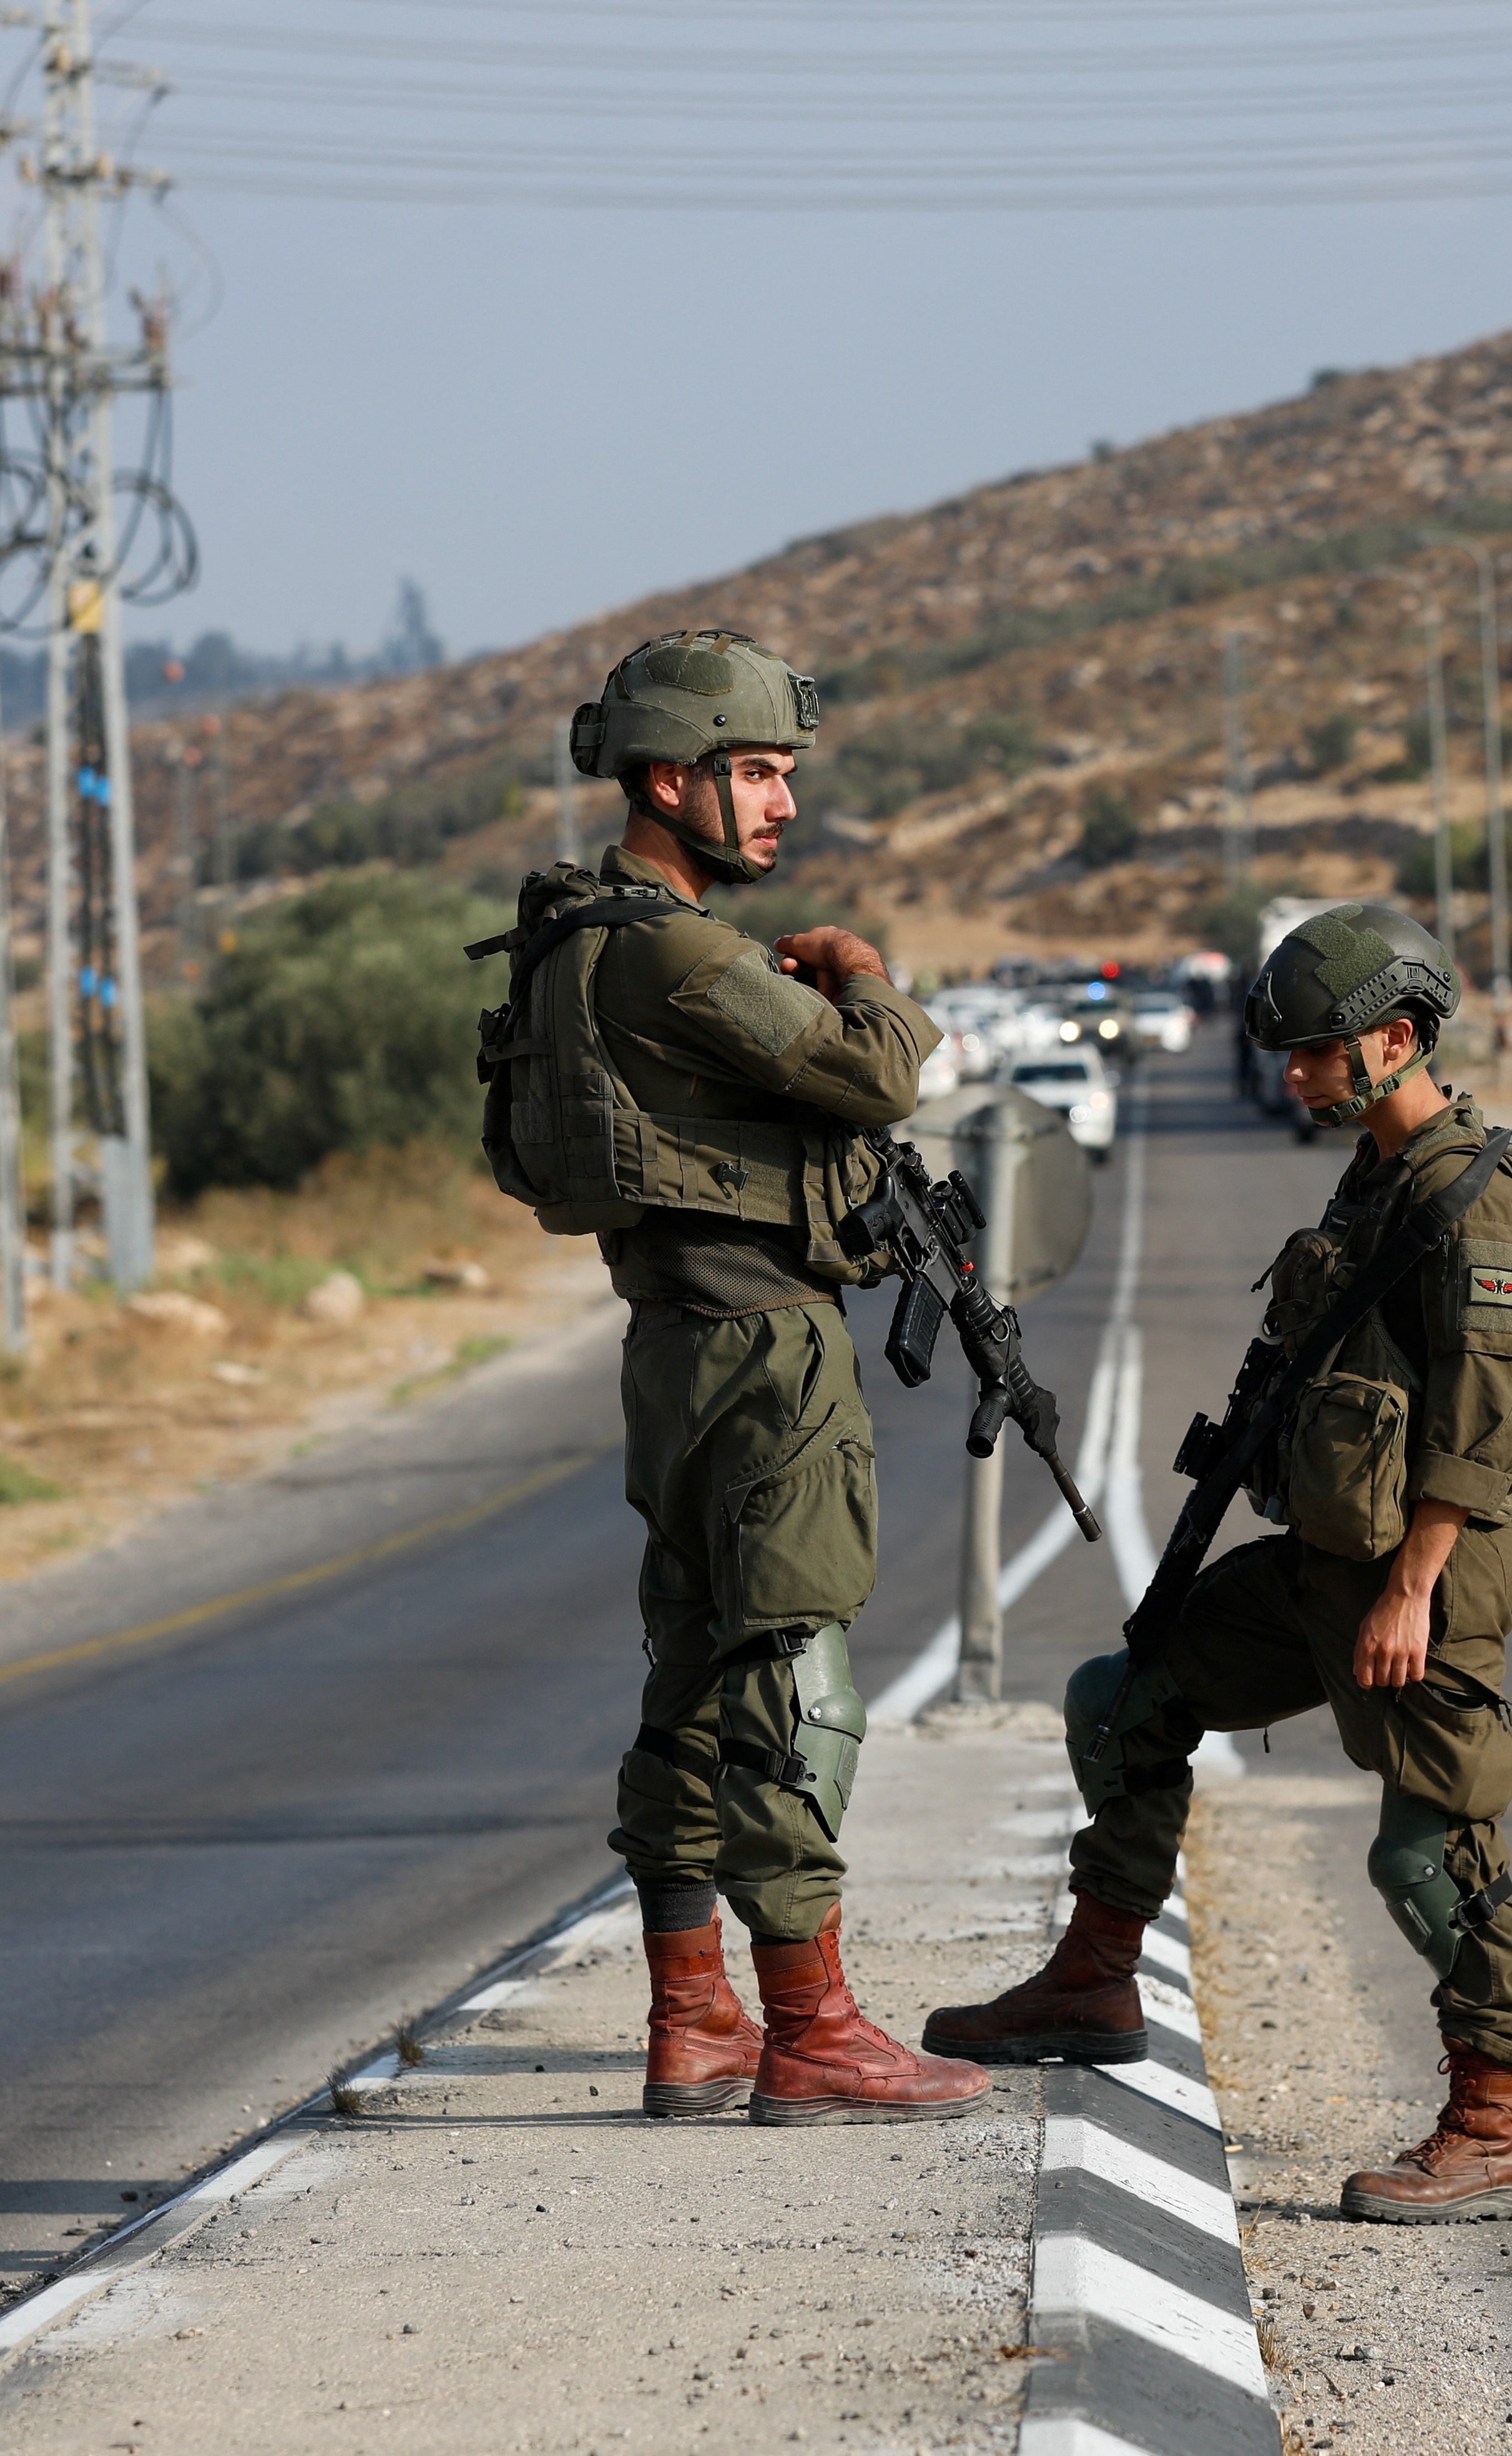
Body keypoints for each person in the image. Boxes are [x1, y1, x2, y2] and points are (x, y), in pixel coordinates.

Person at [924, 903, 1512, 2221]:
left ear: (1396, 1037)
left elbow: (1492, 1418)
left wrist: (1411, 1584)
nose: (1296, 1072)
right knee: (1129, 1693)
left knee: (1433, 1852)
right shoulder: (1376, 1175)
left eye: (1320, 1049)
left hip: (1421, 1585)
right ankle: (1096, 1977)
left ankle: (1490, 2126)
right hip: (1320, 1566)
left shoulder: (1478, 1192)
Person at [477, 626, 989, 2127]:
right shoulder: (672, 946)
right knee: (793, 1684)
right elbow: (875, 1076)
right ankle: (812, 2026)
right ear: (665, 775)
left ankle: (690, 2017)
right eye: (753, 772)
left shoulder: (576, 940)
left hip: (673, 1348)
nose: (779, 803)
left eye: (781, 773)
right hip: (765, 1353)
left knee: (695, 1685)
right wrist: (870, 977)